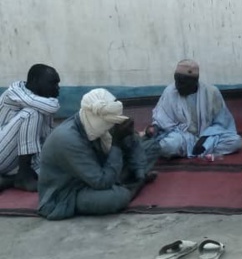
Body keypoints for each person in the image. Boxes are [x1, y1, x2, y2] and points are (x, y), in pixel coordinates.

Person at [37, 89, 157, 220]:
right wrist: (116, 142)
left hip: (99, 170)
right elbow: (101, 182)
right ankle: (127, 187)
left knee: (152, 146)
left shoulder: (96, 124)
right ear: (95, 115)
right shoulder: (68, 139)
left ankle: (130, 181)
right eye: (108, 121)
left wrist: (140, 173)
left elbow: (131, 144)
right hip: (70, 190)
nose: (110, 125)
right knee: (118, 197)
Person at [148, 59, 242, 158]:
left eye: (183, 82)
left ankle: (196, 149)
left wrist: (204, 139)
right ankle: (199, 150)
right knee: (166, 146)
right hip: (181, 137)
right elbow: (162, 119)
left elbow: (222, 122)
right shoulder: (170, 92)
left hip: (208, 137)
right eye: (177, 81)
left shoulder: (212, 92)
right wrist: (154, 128)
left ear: (195, 81)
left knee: (236, 142)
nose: (178, 86)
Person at [0, 64, 61, 192]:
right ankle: (23, 176)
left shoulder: (41, 102)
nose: (57, 88)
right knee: (31, 113)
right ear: (34, 81)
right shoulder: (15, 91)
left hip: (6, 156)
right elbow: (52, 107)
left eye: (57, 84)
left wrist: (43, 173)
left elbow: (44, 138)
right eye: (52, 83)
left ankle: (12, 180)